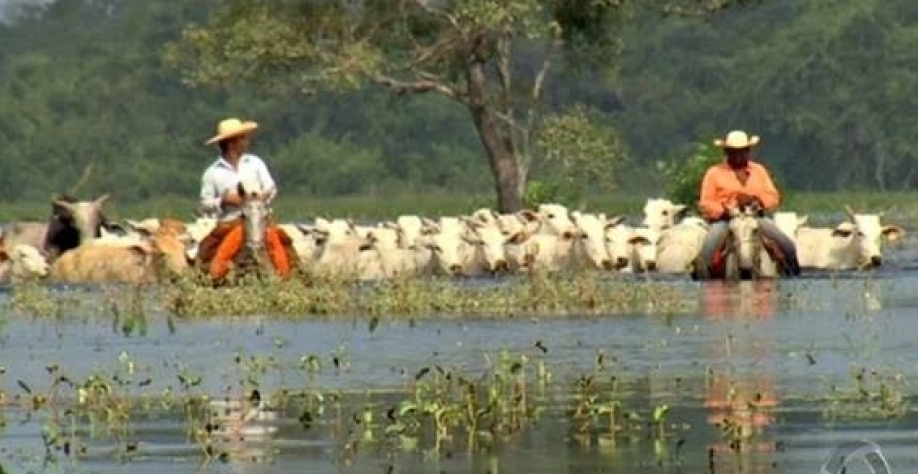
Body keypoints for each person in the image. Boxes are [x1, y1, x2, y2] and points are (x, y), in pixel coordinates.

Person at [196, 117, 296, 283]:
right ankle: (213, 278)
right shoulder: (212, 173)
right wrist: (223, 200)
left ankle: (289, 278)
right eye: (242, 138)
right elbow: (204, 204)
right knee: (214, 250)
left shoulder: (255, 163)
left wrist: (262, 196)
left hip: (261, 218)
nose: (246, 141)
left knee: (281, 244)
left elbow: (271, 188)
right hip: (231, 221)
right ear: (231, 143)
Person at [696, 130, 800, 278]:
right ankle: (701, 278)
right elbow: (705, 202)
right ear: (727, 152)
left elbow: (772, 195)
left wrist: (758, 201)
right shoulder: (714, 173)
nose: (738, 156)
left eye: (742, 151)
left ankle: (794, 274)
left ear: (748, 151)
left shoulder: (759, 171)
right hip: (725, 220)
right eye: (734, 152)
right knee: (708, 249)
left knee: (786, 244)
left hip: (755, 217)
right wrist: (724, 209)